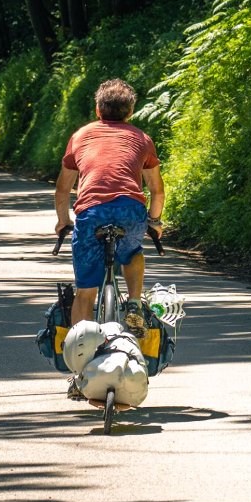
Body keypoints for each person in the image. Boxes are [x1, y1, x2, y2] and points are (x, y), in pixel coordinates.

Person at [54, 78, 164, 337]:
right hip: (130, 209)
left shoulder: (80, 136)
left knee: (85, 293)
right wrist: (155, 221)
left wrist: (63, 221)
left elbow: (62, 188)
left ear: (97, 110)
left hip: (92, 212)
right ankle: (134, 303)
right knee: (133, 251)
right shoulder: (142, 138)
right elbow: (156, 190)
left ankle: (81, 357)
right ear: (131, 111)